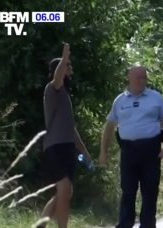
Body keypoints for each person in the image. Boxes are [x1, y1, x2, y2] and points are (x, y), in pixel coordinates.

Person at [99, 66, 163, 228]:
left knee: (150, 190)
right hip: (128, 151)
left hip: (151, 150)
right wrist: (103, 152)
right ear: (129, 79)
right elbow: (109, 127)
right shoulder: (120, 101)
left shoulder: (156, 98)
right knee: (128, 189)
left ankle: (147, 224)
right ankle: (125, 223)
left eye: (144, 77)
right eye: (138, 77)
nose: (141, 80)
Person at [39, 43, 92, 228]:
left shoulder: (65, 96)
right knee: (64, 188)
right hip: (56, 146)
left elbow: (71, 128)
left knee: (65, 192)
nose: (71, 71)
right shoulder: (52, 88)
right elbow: (59, 75)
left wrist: (84, 151)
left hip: (67, 146)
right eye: (68, 67)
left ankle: (41, 224)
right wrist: (65, 56)